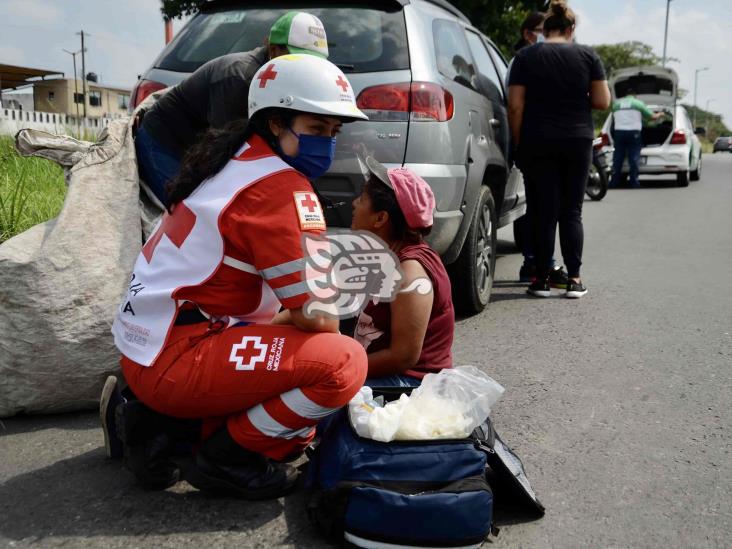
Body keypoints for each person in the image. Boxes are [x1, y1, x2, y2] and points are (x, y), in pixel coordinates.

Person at [103, 54, 370, 499]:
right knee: (342, 365)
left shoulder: (230, 163)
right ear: (274, 124)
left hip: (147, 349)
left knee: (290, 379)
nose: (327, 143)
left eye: (334, 132)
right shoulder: (284, 189)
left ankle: (160, 428)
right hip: (180, 358)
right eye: (316, 129)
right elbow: (321, 319)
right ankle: (227, 458)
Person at [135, 11, 329, 205]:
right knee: (188, 212)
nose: (303, 68)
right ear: (273, 48)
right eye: (296, 59)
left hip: (199, 148)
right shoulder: (238, 77)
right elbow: (222, 153)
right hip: (166, 144)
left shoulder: (281, 80)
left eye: (312, 62)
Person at [508, 0, 610, 299]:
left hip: (537, 139)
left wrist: (518, 143)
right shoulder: (588, 55)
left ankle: (540, 280)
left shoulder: (526, 57)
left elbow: (515, 106)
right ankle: (574, 279)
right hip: (577, 139)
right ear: (571, 28)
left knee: (542, 211)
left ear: (546, 28)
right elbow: (603, 101)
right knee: (571, 211)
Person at [350, 157, 455, 387]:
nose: (354, 204)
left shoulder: (410, 274)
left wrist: (343, 369)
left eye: (362, 199)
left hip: (408, 385)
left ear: (381, 218)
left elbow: (403, 357)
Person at [507, 11, 568, 288]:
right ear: (528, 34)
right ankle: (536, 263)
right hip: (530, 141)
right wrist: (519, 143)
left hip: (544, 141)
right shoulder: (520, 61)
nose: (549, 36)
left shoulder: (546, 61)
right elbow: (514, 106)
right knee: (537, 207)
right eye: (544, 30)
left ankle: (539, 262)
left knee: (542, 206)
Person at [609, 88, 663, 188]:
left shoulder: (616, 104)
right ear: (634, 96)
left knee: (617, 158)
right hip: (633, 133)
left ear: (625, 95)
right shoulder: (638, 104)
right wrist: (660, 114)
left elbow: (615, 118)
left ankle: (614, 182)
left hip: (619, 133)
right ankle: (633, 182)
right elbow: (652, 117)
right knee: (633, 158)